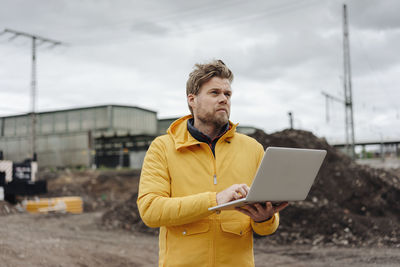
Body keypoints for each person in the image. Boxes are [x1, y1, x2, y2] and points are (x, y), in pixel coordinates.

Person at [137, 59, 288, 266]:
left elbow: (266, 229)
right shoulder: (163, 148)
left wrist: (265, 218)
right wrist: (215, 201)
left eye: (227, 94)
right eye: (214, 93)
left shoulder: (252, 148)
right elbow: (150, 211)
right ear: (192, 100)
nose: (224, 99)